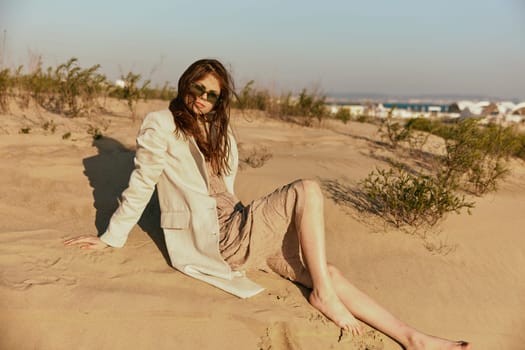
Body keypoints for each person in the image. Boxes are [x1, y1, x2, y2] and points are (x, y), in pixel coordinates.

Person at [64, 58, 470, 349]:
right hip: (218, 238)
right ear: (184, 85)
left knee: (324, 269)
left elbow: (225, 186)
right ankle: (324, 298)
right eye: (198, 89)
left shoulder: (214, 128)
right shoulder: (160, 123)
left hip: (240, 226)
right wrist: (112, 238)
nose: (203, 98)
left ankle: (413, 338)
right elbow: (142, 183)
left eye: (213, 95)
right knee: (307, 189)